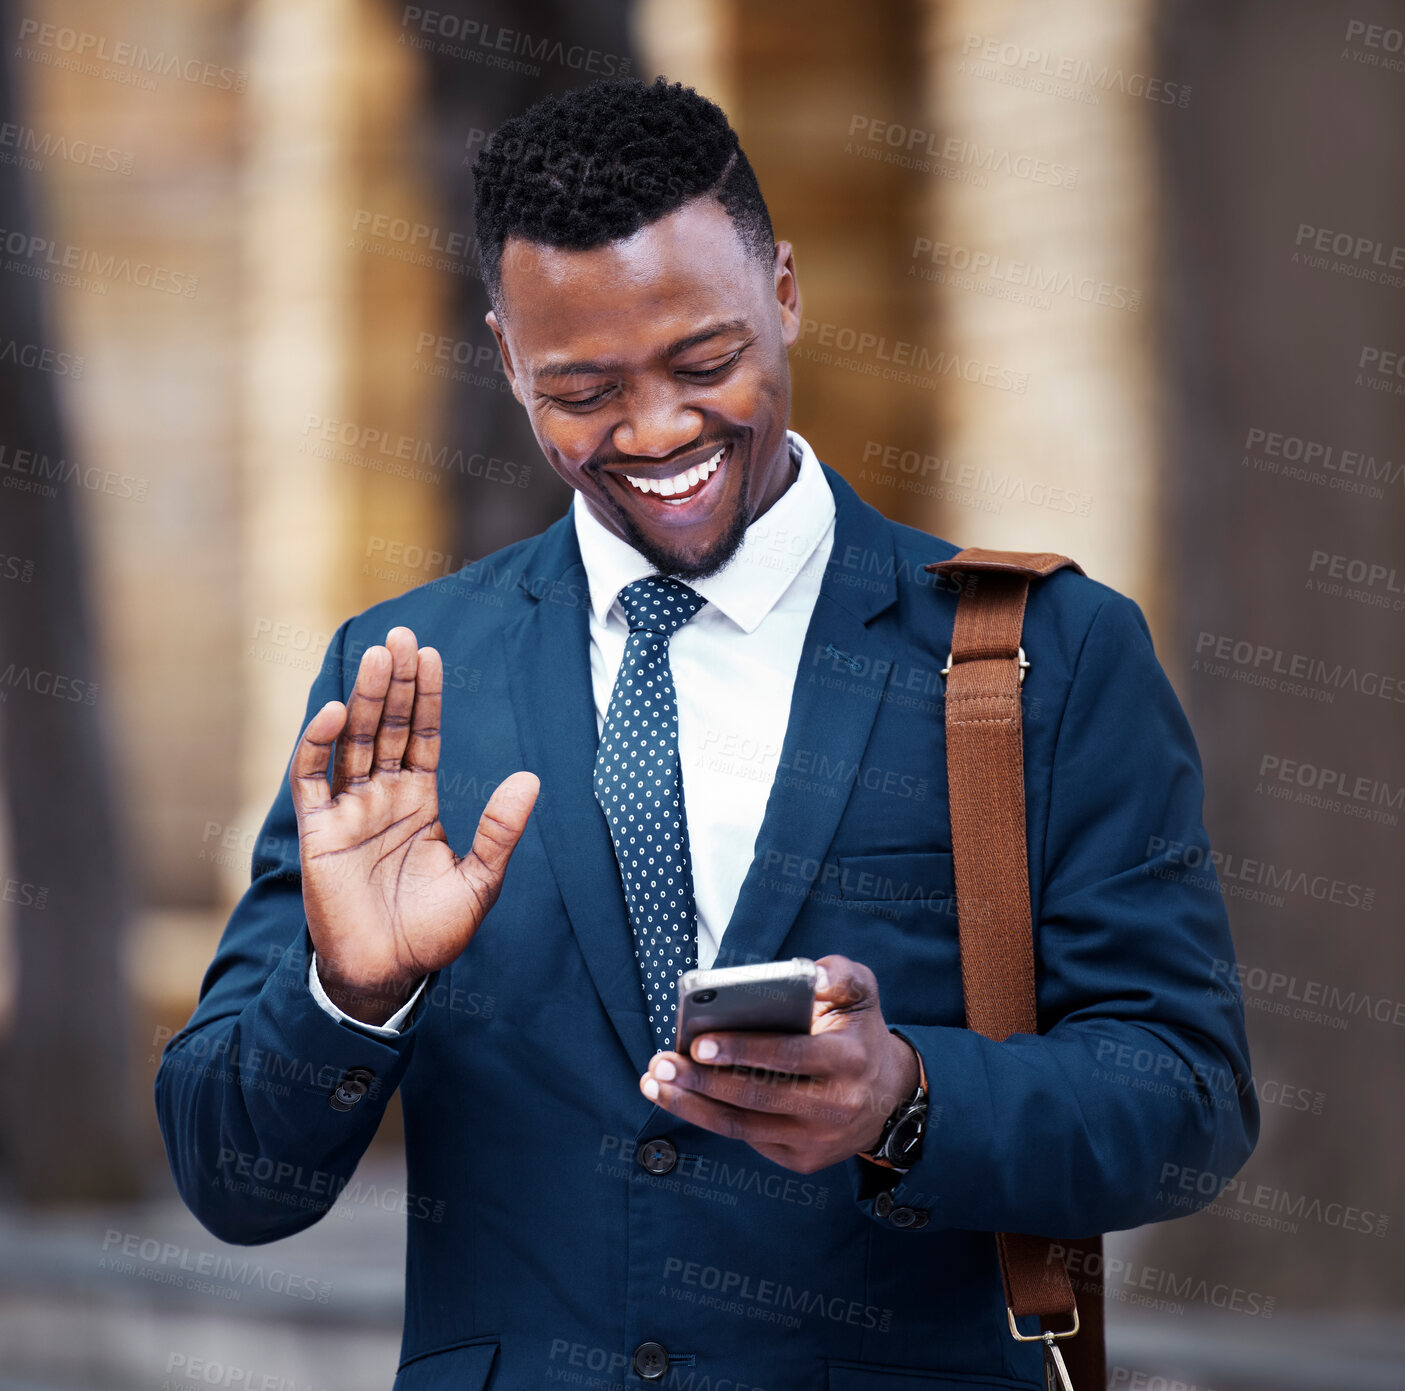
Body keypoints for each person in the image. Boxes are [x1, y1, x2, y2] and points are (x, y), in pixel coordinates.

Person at [156, 76, 1257, 1391]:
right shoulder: (407, 675)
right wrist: (350, 994)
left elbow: (1187, 1103)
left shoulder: (1039, 657)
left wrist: (908, 1097)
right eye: (581, 388)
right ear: (505, 358)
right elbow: (234, 1183)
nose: (660, 431)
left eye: (704, 361)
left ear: (783, 292)